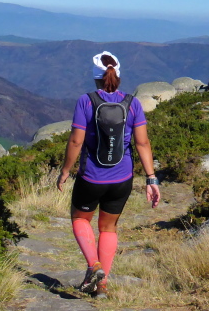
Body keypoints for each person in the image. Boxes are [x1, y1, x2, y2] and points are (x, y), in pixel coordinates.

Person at [57, 51, 160, 299]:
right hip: (122, 179)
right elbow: (143, 143)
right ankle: (101, 286)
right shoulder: (133, 103)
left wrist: (65, 170)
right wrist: (151, 178)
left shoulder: (86, 101)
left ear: (95, 78)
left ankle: (94, 266)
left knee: (80, 219)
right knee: (108, 228)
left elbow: (76, 141)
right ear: (118, 75)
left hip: (92, 177)